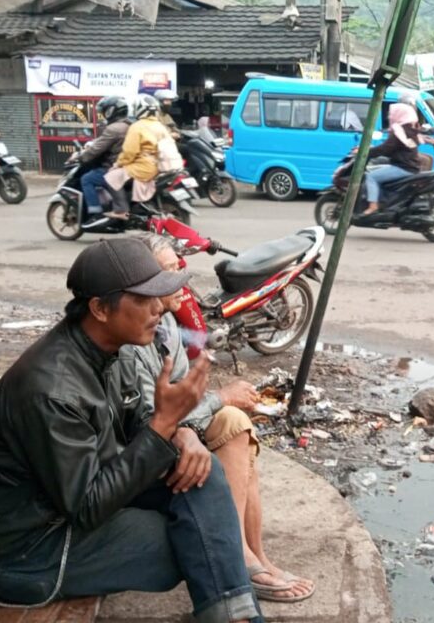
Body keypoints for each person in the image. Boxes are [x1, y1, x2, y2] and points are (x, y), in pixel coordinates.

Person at [0, 238, 261, 623]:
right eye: (144, 299)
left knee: (202, 473)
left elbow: (133, 420)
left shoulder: (104, 347)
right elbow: (86, 507)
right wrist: (166, 423)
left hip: (69, 501)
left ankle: (234, 617)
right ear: (100, 308)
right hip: (31, 545)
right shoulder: (51, 389)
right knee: (194, 544)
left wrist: (181, 432)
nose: (158, 308)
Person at [130, 235, 316, 603]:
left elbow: (182, 396)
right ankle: (240, 557)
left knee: (236, 423)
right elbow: (155, 418)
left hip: (171, 429)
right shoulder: (134, 338)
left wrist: (205, 410)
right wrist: (217, 399)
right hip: (142, 449)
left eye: (178, 269)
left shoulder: (166, 325)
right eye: (169, 272)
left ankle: (255, 554)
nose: (181, 280)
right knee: (230, 416)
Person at [111, 94, 179, 219]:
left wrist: (117, 164)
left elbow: (129, 153)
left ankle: (121, 211)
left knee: (112, 177)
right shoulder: (160, 126)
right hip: (161, 166)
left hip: (144, 167)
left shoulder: (137, 127)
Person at [360, 102, 427, 215]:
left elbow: (386, 148)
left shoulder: (399, 131)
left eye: (391, 114)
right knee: (378, 167)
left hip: (403, 167)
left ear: (398, 115)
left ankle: (373, 206)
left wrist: (366, 152)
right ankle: (382, 201)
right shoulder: (410, 130)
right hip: (410, 165)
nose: (389, 116)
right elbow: (392, 149)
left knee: (371, 177)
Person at [75, 95, 132, 223]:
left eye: (104, 111)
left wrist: (81, 157)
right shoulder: (130, 125)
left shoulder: (113, 128)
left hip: (114, 166)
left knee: (87, 179)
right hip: (130, 165)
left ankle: (96, 214)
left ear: (111, 111)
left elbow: (96, 149)